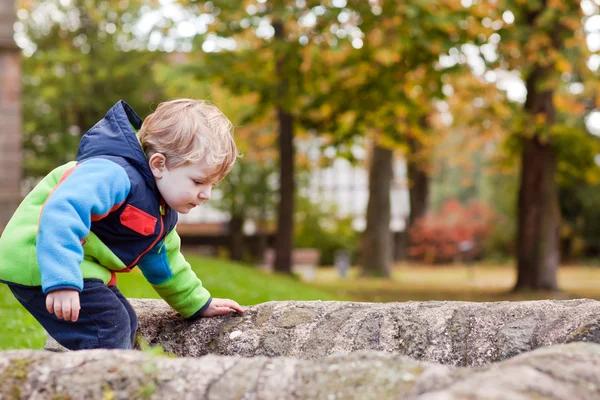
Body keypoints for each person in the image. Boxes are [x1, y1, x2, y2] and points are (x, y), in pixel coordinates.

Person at [0, 99, 244, 350]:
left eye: (212, 185)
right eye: (198, 182)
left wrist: (198, 303)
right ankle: (104, 385)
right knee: (107, 325)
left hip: (77, 263)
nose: (207, 195)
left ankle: (103, 375)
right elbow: (62, 211)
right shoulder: (113, 174)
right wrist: (63, 280)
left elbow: (166, 265)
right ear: (159, 165)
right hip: (39, 253)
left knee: (125, 320)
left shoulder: (160, 211)